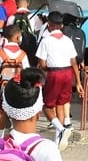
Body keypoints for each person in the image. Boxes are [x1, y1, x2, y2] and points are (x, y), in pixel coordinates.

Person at [35, 10, 83, 151]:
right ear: (61, 25)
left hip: (53, 73)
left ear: (48, 25)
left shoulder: (46, 41)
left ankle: (60, 129)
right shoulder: (68, 41)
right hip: (68, 73)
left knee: (47, 106)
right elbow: (74, 62)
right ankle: (57, 142)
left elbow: (43, 64)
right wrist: (78, 82)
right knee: (61, 104)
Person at [0, 24, 31, 139]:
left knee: (1, 113)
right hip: (18, 88)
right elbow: (26, 73)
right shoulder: (23, 54)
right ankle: (17, 138)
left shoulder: (0, 53)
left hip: (3, 88)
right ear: (18, 37)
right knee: (17, 112)